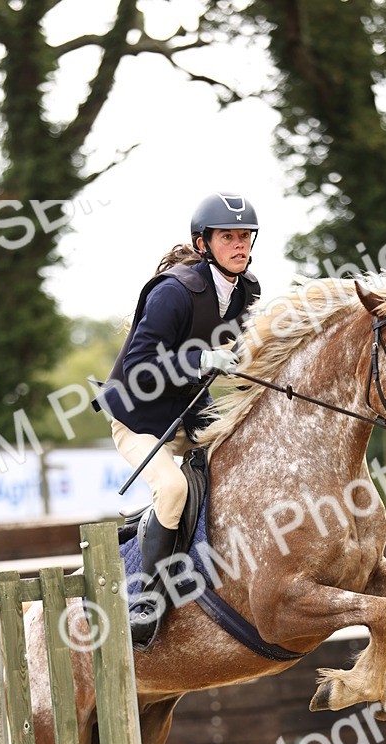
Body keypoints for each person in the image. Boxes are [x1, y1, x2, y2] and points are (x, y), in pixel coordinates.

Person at [95, 192, 261, 647]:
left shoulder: (248, 291)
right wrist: (200, 358)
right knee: (172, 488)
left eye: (245, 236)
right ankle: (144, 598)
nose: (240, 245)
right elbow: (139, 365)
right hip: (140, 419)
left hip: (190, 414)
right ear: (203, 244)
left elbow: (244, 347)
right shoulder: (173, 292)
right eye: (228, 237)